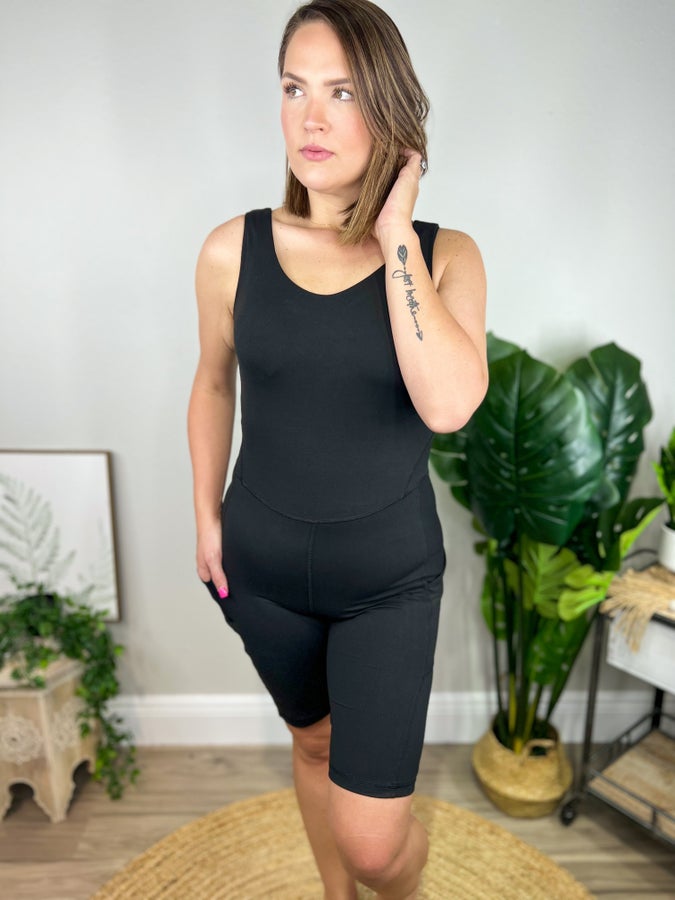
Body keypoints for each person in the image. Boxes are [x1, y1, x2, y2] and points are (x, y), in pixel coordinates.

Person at [187, 1, 487, 897]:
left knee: (375, 846)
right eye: (295, 89)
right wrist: (205, 518)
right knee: (311, 743)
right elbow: (212, 383)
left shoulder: (445, 256)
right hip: (260, 573)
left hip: (387, 585)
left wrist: (392, 232)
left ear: (388, 109)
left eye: (343, 92)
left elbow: (448, 406)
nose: (310, 117)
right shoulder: (231, 250)